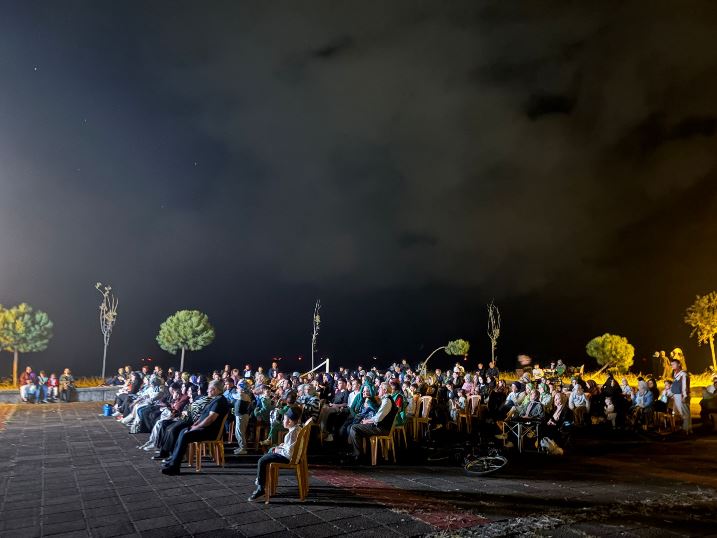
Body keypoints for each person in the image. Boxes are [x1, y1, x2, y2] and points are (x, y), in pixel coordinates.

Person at [161, 380, 229, 475]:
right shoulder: (215, 399)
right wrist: (194, 425)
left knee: (185, 435)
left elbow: (210, 419)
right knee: (182, 431)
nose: (207, 391)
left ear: (216, 389)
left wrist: (196, 427)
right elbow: (203, 417)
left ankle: (175, 466)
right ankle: (173, 461)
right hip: (204, 428)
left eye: (209, 389)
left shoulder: (219, 401)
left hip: (210, 431)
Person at [248, 405, 303, 501]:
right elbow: (292, 446)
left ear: (289, 422)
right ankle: (263, 481)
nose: (282, 421)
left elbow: (288, 453)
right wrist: (283, 445)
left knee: (262, 461)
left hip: (288, 458)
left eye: (284, 419)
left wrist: (278, 450)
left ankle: (261, 487)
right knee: (269, 453)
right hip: (293, 455)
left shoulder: (291, 434)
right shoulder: (298, 428)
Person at [348, 382, 398, 462]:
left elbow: (378, 418)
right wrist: (367, 421)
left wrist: (367, 421)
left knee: (354, 428)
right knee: (357, 426)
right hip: (381, 426)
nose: (378, 390)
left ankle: (358, 455)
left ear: (385, 390)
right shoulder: (386, 399)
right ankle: (362, 453)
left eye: (380, 388)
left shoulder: (387, 401)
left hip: (382, 428)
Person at [670, 358, 692, 434]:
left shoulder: (683, 374)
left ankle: (687, 429)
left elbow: (684, 386)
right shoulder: (675, 373)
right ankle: (683, 428)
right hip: (676, 396)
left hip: (681, 396)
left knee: (685, 413)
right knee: (679, 413)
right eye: (671, 364)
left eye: (674, 364)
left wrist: (684, 396)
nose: (672, 366)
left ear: (679, 364)